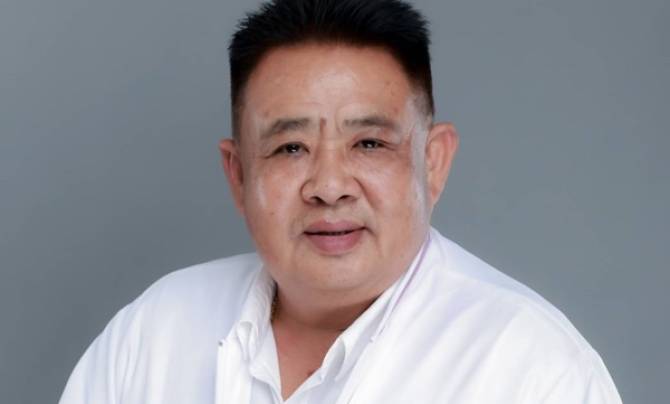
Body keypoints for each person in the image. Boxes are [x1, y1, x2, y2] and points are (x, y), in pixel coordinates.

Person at [59, 0, 622, 403]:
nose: (329, 186)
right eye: (291, 147)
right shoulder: (155, 331)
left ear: (433, 162)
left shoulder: (533, 371)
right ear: (238, 175)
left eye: (369, 143)